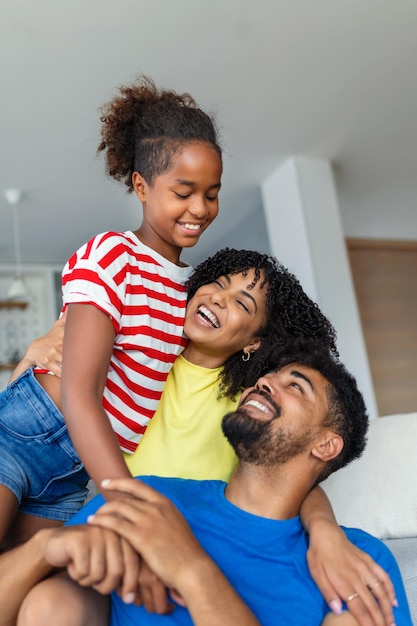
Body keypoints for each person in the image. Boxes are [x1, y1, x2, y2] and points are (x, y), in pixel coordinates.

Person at [6, 249, 398, 624]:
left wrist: (324, 530)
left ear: (254, 343)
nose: (219, 298)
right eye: (218, 283)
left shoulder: (245, 403)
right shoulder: (135, 361)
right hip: (105, 509)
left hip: (184, 537)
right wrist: (30, 361)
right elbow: (46, 412)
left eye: (243, 303)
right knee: (37, 590)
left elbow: (289, 468)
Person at [0, 75, 223, 547]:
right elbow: (82, 394)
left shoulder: (193, 292)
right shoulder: (113, 256)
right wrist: (126, 499)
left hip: (72, 471)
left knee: (16, 589)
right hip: (30, 433)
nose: (200, 208)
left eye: (212, 193)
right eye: (183, 192)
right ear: (142, 186)